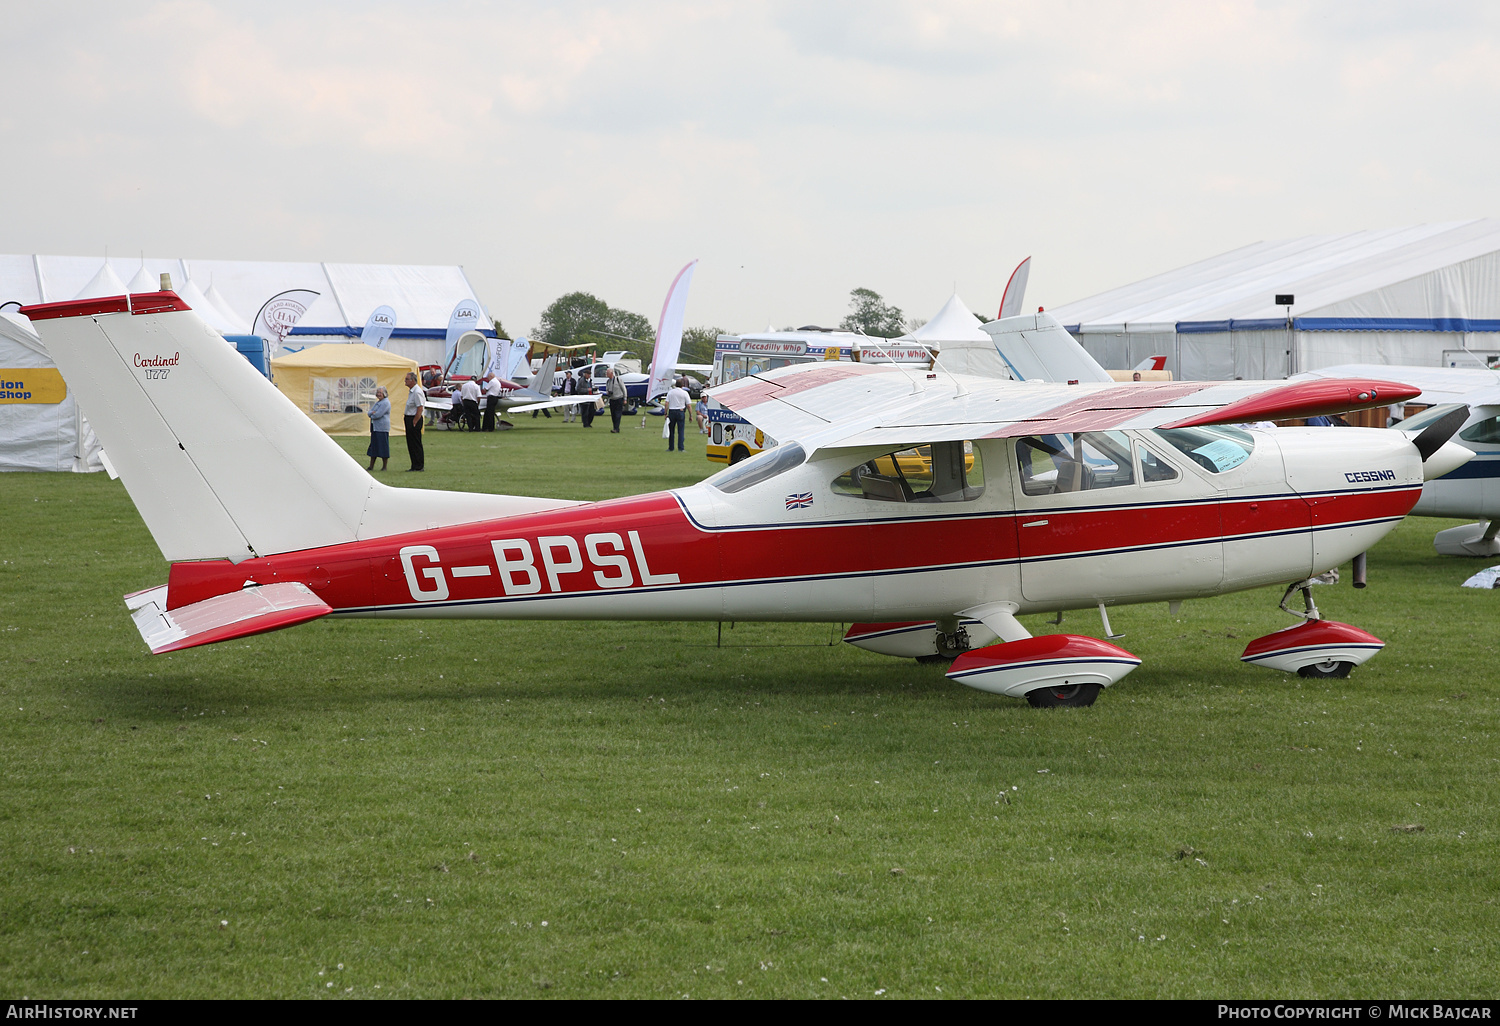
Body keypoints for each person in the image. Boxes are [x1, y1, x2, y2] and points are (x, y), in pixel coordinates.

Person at [403, 371, 425, 471]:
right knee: (410, 443)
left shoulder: (417, 392)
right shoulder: (412, 391)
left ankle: (419, 465)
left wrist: (415, 421)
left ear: (413, 380)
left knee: (416, 443)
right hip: (409, 418)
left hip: (414, 418)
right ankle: (414, 464)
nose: (405, 381)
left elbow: (420, 408)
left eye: (407, 379)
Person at [365, 386, 390, 471]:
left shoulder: (386, 403)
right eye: (378, 392)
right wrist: (372, 413)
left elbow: (378, 414)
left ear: (384, 394)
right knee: (373, 447)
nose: (378, 394)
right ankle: (371, 466)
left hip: (382, 428)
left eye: (380, 393)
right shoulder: (378, 403)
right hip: (375, 428)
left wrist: (372, 413)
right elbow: (369, 413)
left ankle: (384, 466)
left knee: (383, 447)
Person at [664, 376, 691, 451]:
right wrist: (690, 415)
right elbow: (688, 405)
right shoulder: (684, 393)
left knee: (671, 430)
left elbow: (666, 403)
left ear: (675, 385)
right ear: (682, 385)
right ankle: (681, 448)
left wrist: (665, 413)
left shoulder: (671, 392)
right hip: (680, 411)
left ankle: (671, 447)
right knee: (681, 430)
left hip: (672, 411)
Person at [605, 368, 626, 433]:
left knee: (617, 414)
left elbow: (624, 389)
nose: (606, 374)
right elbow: (607, 390)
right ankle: (615, 427)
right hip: (612, 399)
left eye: (607, 373)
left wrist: (625, 398)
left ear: (611, 373)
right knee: (613, 415)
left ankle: (616, 428)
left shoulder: (618, 380)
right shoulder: (608, 381)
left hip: (619, 398)